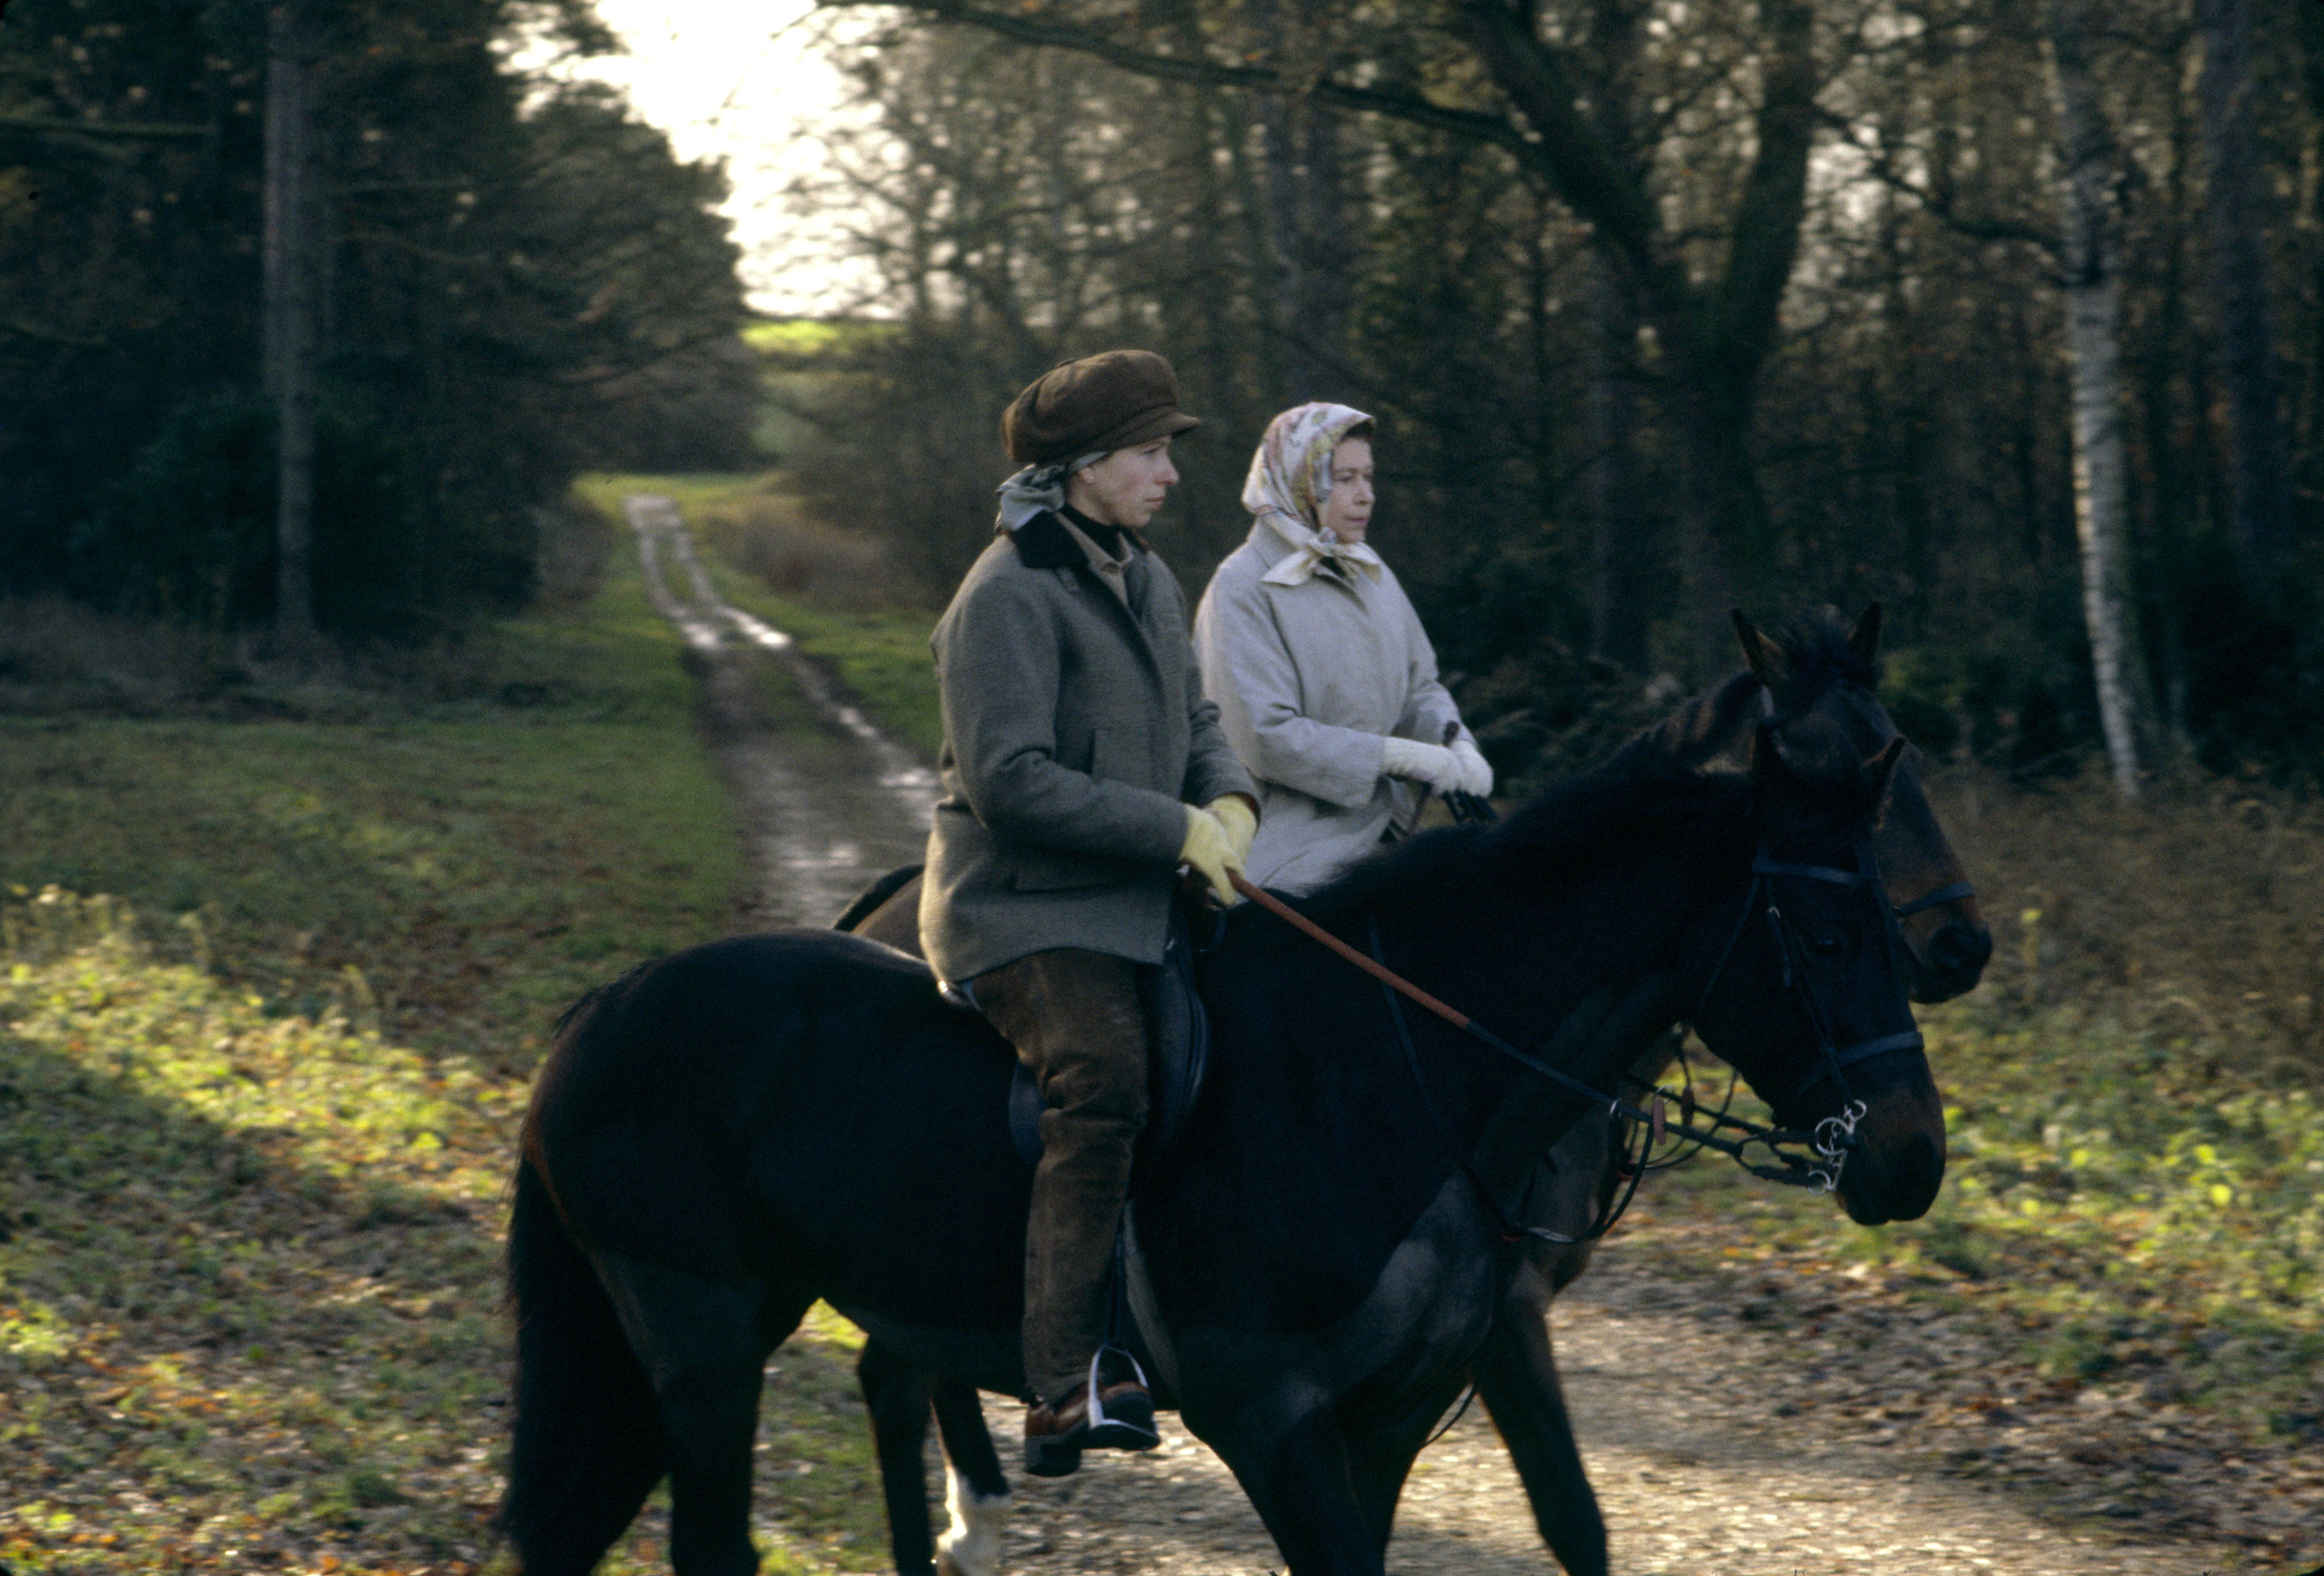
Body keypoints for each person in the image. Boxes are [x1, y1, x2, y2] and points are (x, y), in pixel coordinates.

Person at [918, 349, 1259, 1477]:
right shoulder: (1003, 593)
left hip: (1131, 895)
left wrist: (1225, 799)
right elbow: (1009, 780)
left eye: (1165, 451)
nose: (1168, 473)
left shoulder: (1145, 576)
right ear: (1083, 467)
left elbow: (1196, 717)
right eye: (1150, 452)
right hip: (1018, 912)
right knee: (1104, 1079)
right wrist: (1172, 833)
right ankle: (1063, 1381)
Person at [1192, 402, 1491, 894]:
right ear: (1296, 480)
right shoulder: (1240, 587)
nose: (1366, 496)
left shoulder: (1370, 571)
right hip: (1290, 845)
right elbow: (1265, 738)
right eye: (1346, 479)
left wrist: (1454, 742)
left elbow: (1421, 687)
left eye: (1369, 478)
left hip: (1390, 829)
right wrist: (1391, 756)